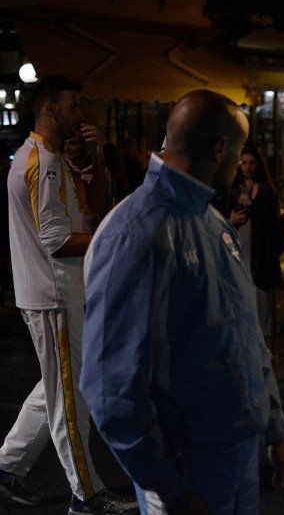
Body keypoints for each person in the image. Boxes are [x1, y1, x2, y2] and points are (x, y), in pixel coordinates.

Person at [81, 89, 284, 514]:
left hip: (234, 459)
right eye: (239, 153)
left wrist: (275, 433)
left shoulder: (211, 220)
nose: (239, 165)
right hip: (186, 473)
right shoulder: (136, 234)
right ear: (220, 148)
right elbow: (112, 390)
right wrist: (168, 486)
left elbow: (246, 337)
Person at [0, 75, 137, 514]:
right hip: (53, 294)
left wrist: (96, 158)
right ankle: (87, 495)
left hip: (52, 293)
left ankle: (6, 467)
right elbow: (57, 239)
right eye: (74, 106)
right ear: (49, 110)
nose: (81, 114)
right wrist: (115, 237)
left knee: (57, 389)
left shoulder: (43, 156)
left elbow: (83, 212)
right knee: (71, 402)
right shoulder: (44, 160)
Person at [227, 143, 284, 353]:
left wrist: (255, 201)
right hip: (239, 254)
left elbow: (274, 222)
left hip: (261, 257)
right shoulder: (233, 190)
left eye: (252, 163)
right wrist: (231, 220)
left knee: (263, 307)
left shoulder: (266, 191)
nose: (248, 167)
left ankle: (267, 350)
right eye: (244, 163)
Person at [62, 127, 116, 232]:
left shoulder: (103, 172)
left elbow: (111, 205)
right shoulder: (62, 169)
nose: (66, 148)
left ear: (85, 146)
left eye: (73, 143)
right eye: (65, 143)